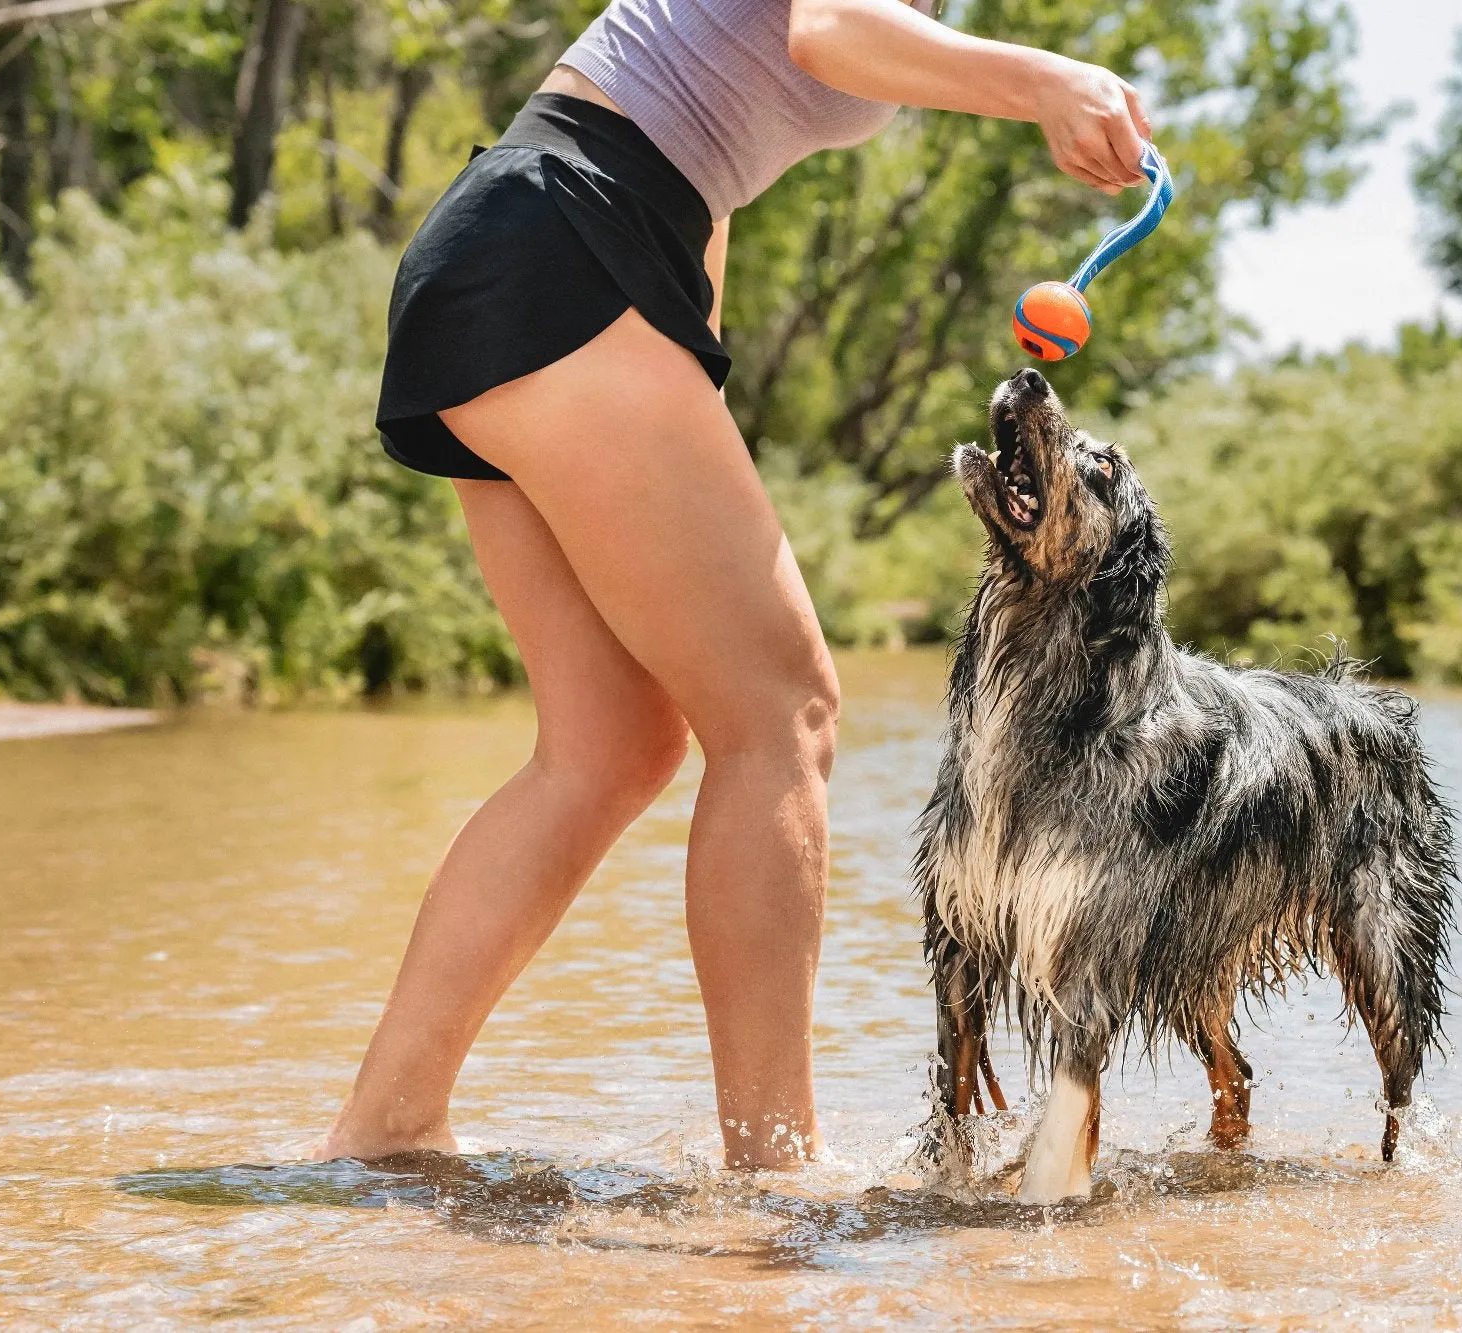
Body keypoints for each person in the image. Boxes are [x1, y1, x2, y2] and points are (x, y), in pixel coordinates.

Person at [314, 0, 1153, 1170]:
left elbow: (703, 167)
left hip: (547, 252)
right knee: (783, 715)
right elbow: (822, 35)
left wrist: (690, 377)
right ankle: (775, 1170)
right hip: (562, 240)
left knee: (606, 745)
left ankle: (385, 1130)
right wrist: (1044, 81)